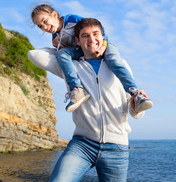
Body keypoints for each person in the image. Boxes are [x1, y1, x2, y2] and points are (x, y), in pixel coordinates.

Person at [29, 18, 147, 181]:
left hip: (117, 147)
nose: (91, 39)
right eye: (85, 36)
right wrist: (65, 48)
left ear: (103, 36)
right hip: (82, 144)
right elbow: (34, 55)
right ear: (77, 40)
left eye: (95, 34)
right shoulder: (71, 67)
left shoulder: (121, 65)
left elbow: (136, 112)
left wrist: (136, 109)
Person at [30, 4, 153, 113]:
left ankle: (136, 94)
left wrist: (103, 46)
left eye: (45, 21)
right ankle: (77, 89)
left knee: (115, 61)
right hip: (82, 51)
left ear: (55, 15)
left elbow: (96, 28)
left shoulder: (72, 19)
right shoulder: (55, 37)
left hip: (104, 44)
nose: (44, 27)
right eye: (40, 26)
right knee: (62, 55)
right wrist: (59, 47)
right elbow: (57, 53)